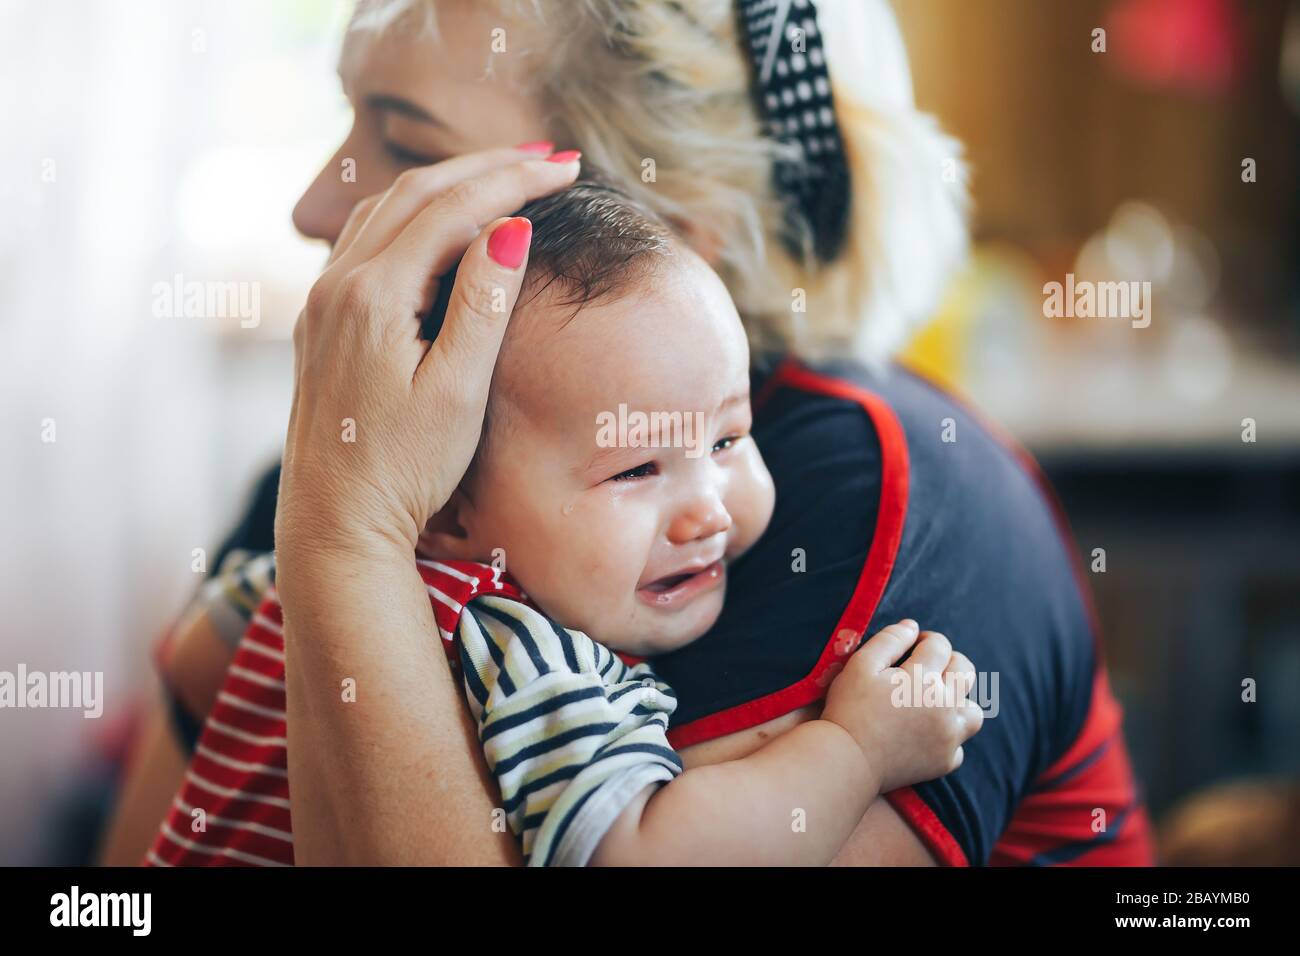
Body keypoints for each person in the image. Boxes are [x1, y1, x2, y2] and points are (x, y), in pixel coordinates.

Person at [101, 0, 1153, 867]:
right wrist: (341, 524)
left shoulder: (880, 493)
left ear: (661, 227)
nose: (313, 207)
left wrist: (347, 539)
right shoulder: (354, 465)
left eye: (407, 143)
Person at [140, 181, 984, 867]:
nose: (707, 508)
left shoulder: (301, 582)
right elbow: (649, 856)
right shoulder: (530, 657)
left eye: (728, 437)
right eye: (635, 470)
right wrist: (858, 749)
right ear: (448, 510)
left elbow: (190, 662)